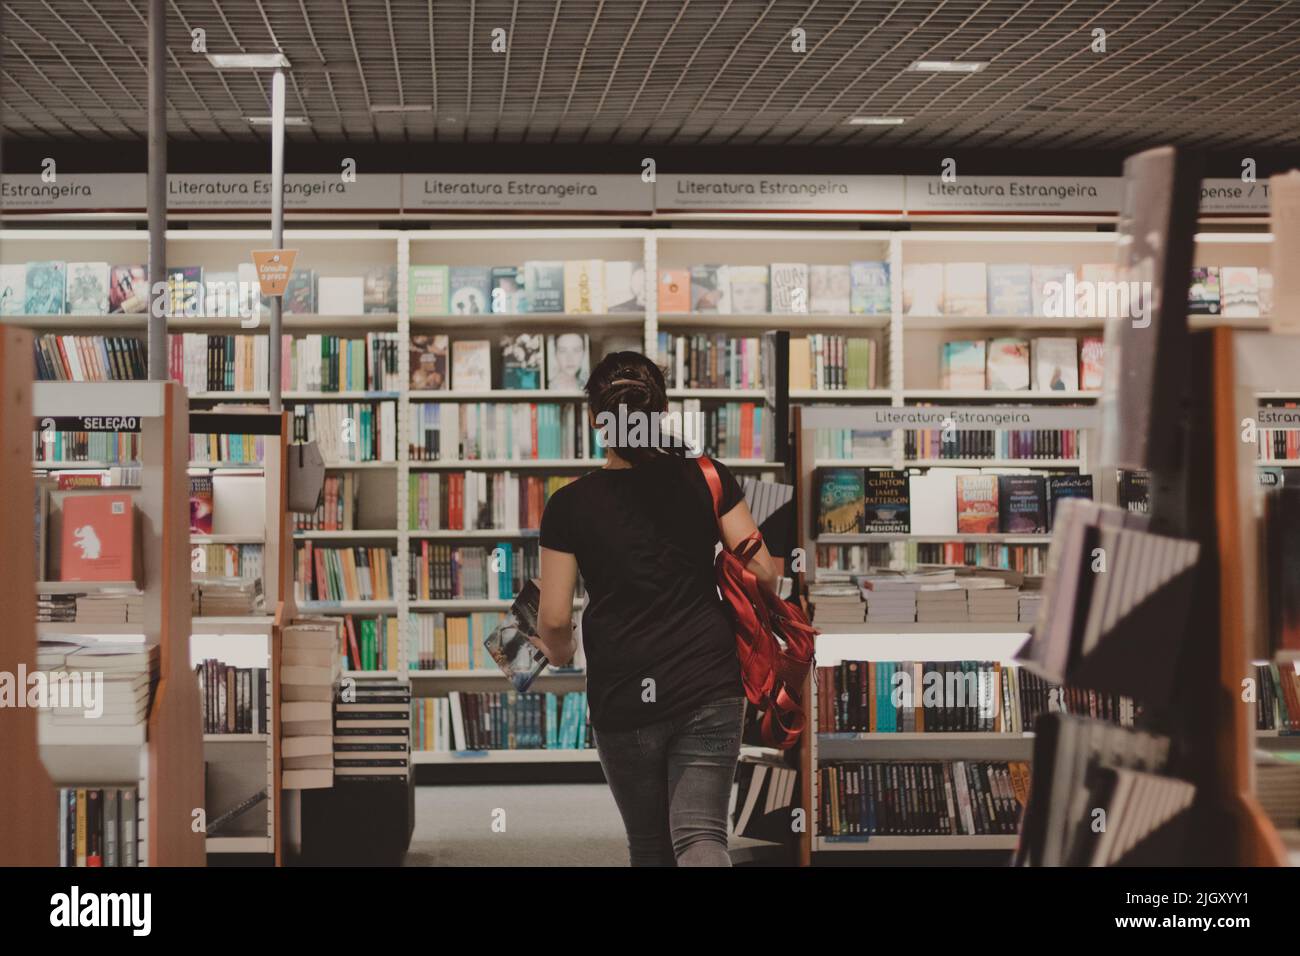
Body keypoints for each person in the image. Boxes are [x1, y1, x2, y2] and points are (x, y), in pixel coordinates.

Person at [531, 351, 782, 866]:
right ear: (662, 413)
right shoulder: (706, 476)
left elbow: (553, 619)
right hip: (709, 682)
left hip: (623, 691)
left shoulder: (569, 504)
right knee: (701, 838)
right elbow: (764, 572)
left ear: (596, 420)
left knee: (650, 846)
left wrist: (558, 653)